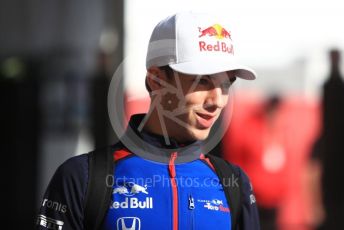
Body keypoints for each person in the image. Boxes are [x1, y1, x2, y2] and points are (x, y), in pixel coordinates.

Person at [36, 12, 260, 229]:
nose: (218, 101)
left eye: (226, 84)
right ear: (156, 81)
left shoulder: (235, 183)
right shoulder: (81, 177)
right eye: (202, 81)